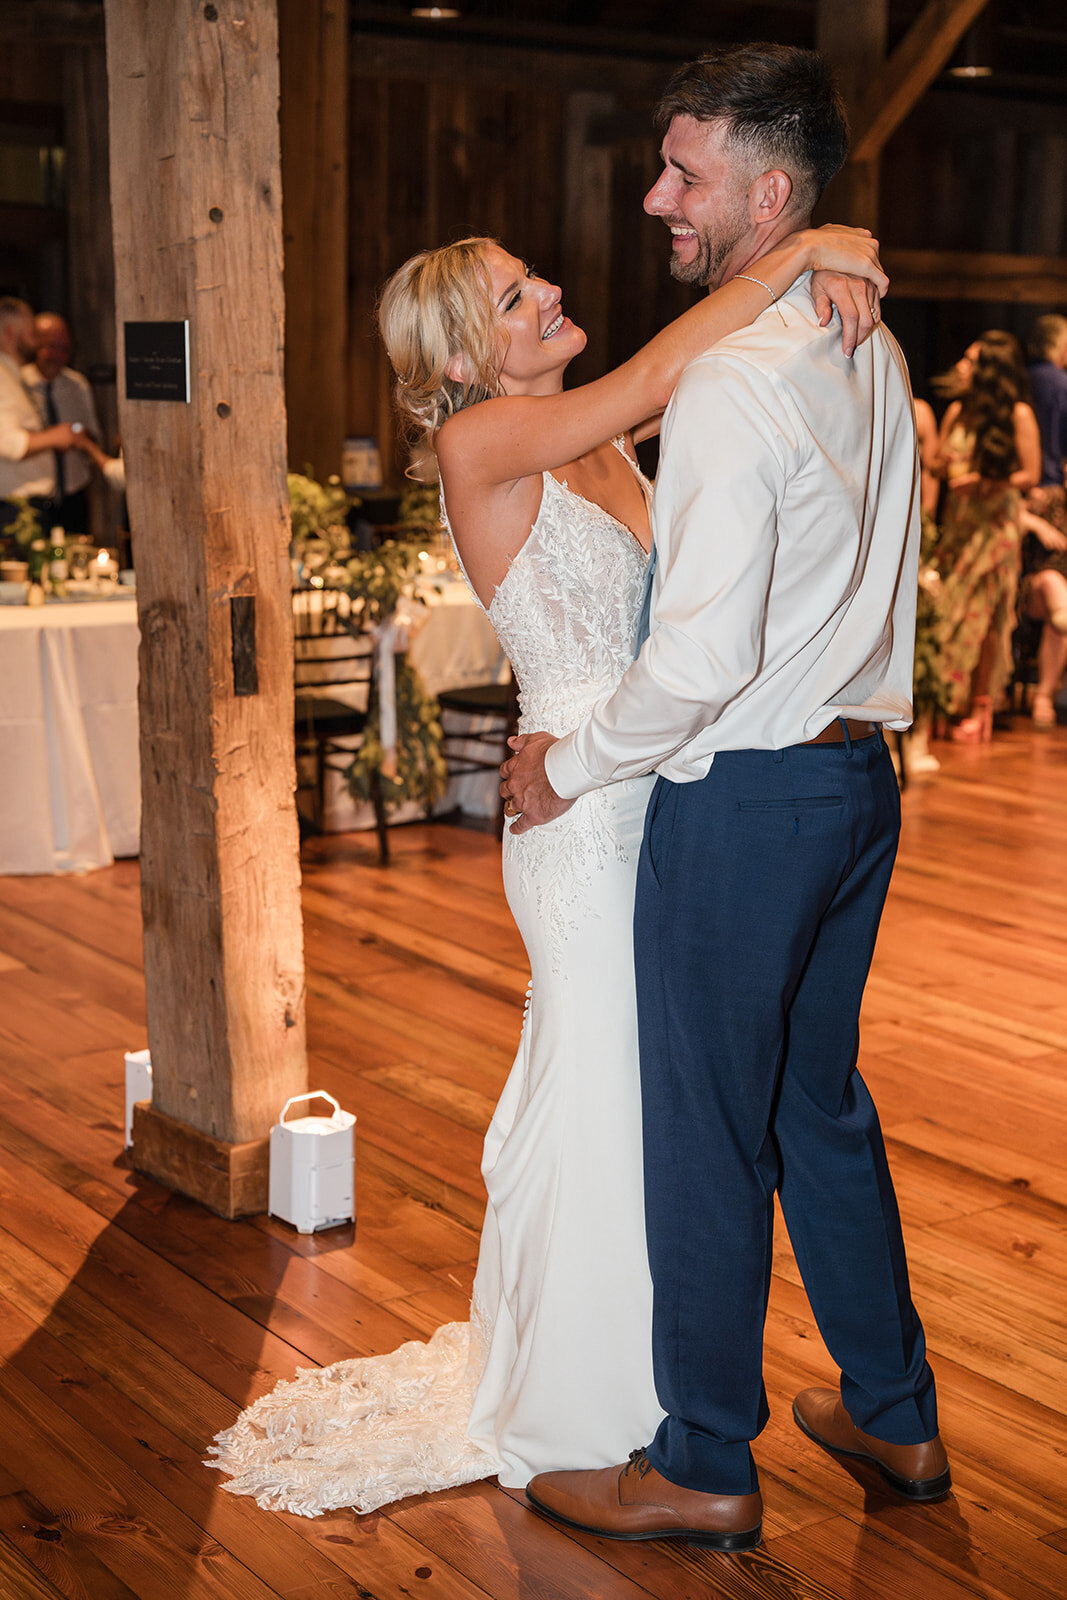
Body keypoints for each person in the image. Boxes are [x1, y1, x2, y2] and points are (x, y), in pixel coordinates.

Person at [207, 181, 886, 1516]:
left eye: (535, 279)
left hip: (650, 786)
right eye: (516, 298)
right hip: (576, 822)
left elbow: (695, 417)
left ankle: (660, 1387)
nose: (551, 294)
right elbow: (654, 374)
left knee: (658, 1102)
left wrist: (830, 256)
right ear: (466, 356)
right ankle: (593, 1402)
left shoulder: (602, 443)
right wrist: (805, 242)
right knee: (602, 1093)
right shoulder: (483, 439)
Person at [503, 43, 949, 1552]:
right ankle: (892, 1412)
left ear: (768, 197)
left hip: (748, 806)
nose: (653, 199)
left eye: (682, 175)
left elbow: (692, 663)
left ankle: (699, 1458)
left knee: (705, 1129)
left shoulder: (732, 385)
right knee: (816, 1104)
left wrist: (565, 766)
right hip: (857, 787)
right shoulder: (866, 346)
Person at [932, 331, 1040, 740]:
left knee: (986, 613)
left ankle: (982, 706)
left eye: (971, 360)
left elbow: (1030, 474)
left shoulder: (1017, 415)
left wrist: (984, 482)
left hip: (995, 527)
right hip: (960, 525)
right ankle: (946, 698)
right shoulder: (958, 411)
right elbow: (939, 464)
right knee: (950, 610)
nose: (962, 366)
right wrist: (942, 464)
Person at [1021, 314, 1067, 727]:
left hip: (1030, 496)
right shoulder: (1058, 383)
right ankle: (1045, 696)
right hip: (1048, 497)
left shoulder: (1023, 382)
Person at [0, 297, 80, 535]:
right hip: (14, 509)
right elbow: (9, 443)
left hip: (28, 506)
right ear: (11, 333)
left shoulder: (13, 375)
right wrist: (57, 436)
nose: (37, 342)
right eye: (32, 334)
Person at [22, 312, 101, 536]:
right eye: (52, 346)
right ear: (34, 344)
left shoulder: (77, 385)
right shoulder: (18, 383)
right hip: (31, 496)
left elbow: (94, 436)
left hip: (73, 494)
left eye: (65, 348)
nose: (58, 355)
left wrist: (78, 437)